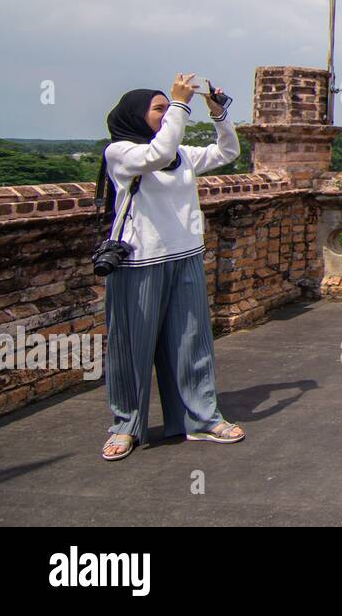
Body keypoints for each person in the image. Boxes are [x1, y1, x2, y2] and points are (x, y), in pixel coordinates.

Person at [97, 74, 245, 460]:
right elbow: (156, 156)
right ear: (136, 114)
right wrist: (180, 103)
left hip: (185, 256)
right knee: (131, 346)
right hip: (139, 260)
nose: (167, 115)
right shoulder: (121, 152)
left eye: (169, 108)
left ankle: (201, 418)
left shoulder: (180, 155)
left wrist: (218, 113)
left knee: (192, 342)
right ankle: (126, 425)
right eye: (158, 109)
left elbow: (227, 152)